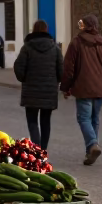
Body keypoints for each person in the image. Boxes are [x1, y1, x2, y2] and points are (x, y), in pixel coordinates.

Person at [60, 14, 102, 165]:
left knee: (84, 118)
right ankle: (90, 151)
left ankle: (92, 144)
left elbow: (68, 68)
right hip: (101, 88)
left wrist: (65, 87)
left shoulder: (76, 42)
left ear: (85, 26)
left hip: (83, 87)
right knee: (94, 119)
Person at [13, 20, 62, 150]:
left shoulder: (27, 48)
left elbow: (18, 67)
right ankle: (43, 149)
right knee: (46, 121)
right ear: (46, 30)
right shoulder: (55, 48)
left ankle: (37, 148)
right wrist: (56, 81)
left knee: (32, 121)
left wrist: (23, 78)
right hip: (49, 91)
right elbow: (61, 70)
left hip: (31, 91)